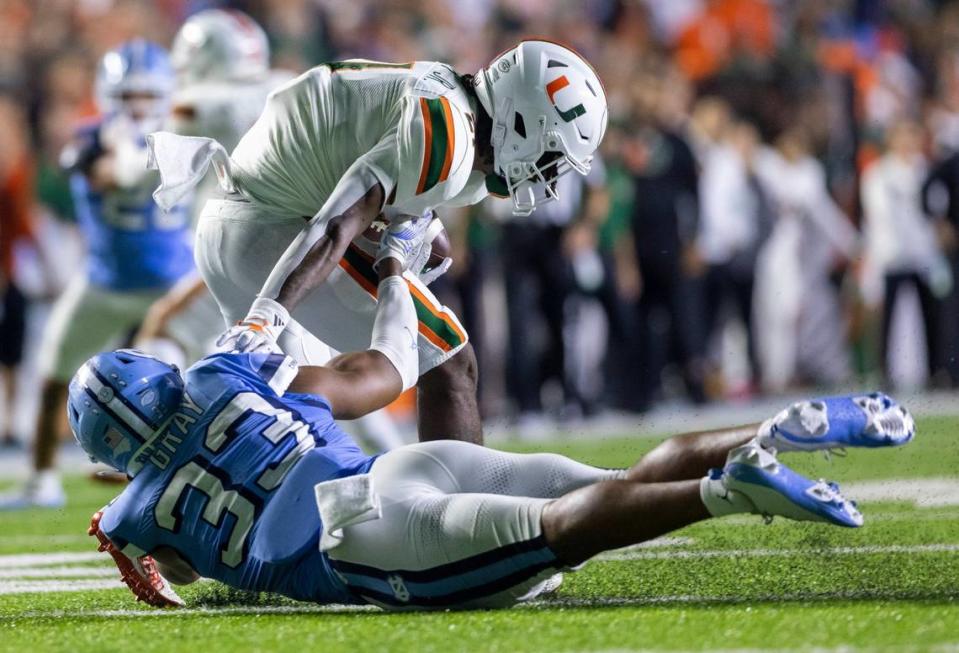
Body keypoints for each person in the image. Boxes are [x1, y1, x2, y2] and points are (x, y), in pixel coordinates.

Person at [76, 205, 916, 611]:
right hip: (403, 464)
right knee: (613, 488)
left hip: (360, 539)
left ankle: (727, 493)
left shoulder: (131, 511)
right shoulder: (224, 373)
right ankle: (771, 427)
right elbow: (372, 363)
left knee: (564, 527)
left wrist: (147, 501)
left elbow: (175, 582)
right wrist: (398, 268)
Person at [147, 40, 609, 444]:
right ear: (521, 119)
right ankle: (460, 517)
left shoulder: (453, 116)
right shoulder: (445, 136)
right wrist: (266, 317)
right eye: (549, 155)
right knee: (449, 361)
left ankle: (177, 435)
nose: (548, 175)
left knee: (297, 423)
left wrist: (406, 239)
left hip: (239, 223)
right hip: (269, 227)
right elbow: (336, 224)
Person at [135, 9, 406, 453]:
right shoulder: (285, 80)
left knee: (172, 329)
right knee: (315, 367)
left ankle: (157, 447)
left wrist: (113, 164)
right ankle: (384, 458)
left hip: (251, 238)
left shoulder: (199, 100)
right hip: (317, 239)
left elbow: (142, 167)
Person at [0, 40, 194, 509]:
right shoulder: (88, 137)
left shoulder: (183, 135)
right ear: (109, 95)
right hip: (104, 281)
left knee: (202, 382)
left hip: (174, 281)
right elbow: (102, 174)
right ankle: (41, 480)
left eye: (147, 94)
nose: (138, 105)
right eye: (128, 95)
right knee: (53, 372)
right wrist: (122, 147)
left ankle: (190, 480)